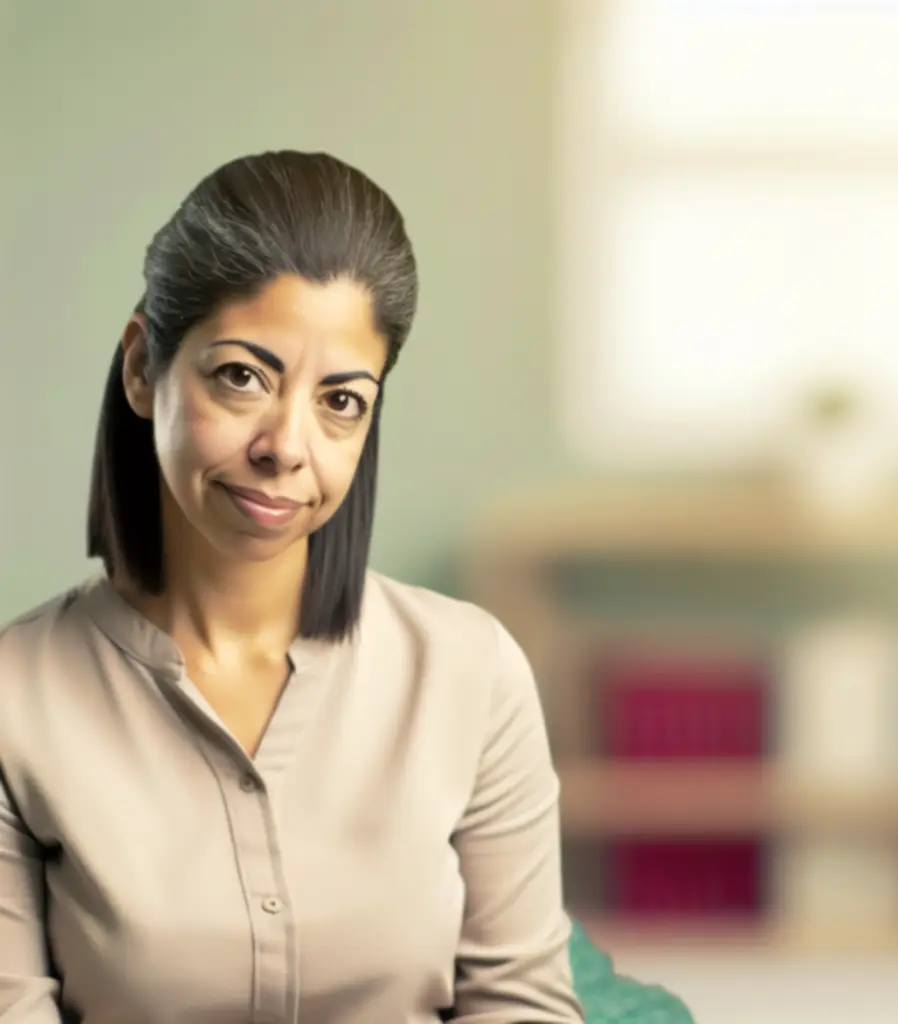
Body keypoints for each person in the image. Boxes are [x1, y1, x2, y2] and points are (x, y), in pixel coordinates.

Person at [0, 150, 584, 1024]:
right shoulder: (16, 699)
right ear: (140, 369)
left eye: (341, 401)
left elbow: (521, 1007)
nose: (287, 444)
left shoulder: (472, 675)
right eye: (242, 377)